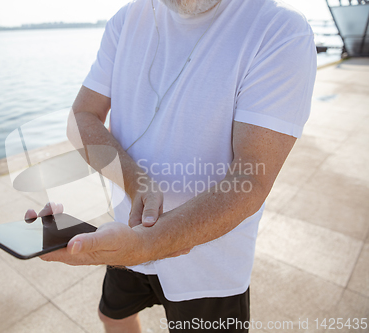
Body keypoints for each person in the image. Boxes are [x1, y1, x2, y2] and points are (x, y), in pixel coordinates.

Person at [25, 0, 317, 331]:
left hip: (209, 261)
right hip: (127, 231)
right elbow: (82, 116)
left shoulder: (279, 30)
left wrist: (148, 244)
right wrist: (136, 184)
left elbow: (251, 177)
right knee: (113, 316)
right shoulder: (126, 20)